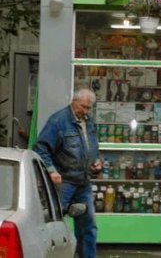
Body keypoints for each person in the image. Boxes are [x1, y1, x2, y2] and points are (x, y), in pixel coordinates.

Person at [34, 89, 102, 258]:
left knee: (88, 227)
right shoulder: (58, 121)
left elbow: (93, 148)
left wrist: (97, 162)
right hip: (63, 182)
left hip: (83, 182)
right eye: (83, 107)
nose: (85, 111)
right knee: (53, 224)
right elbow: (41, 148)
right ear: (73, 101)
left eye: (88, 108)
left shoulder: (89, 122)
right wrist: (52, 171)